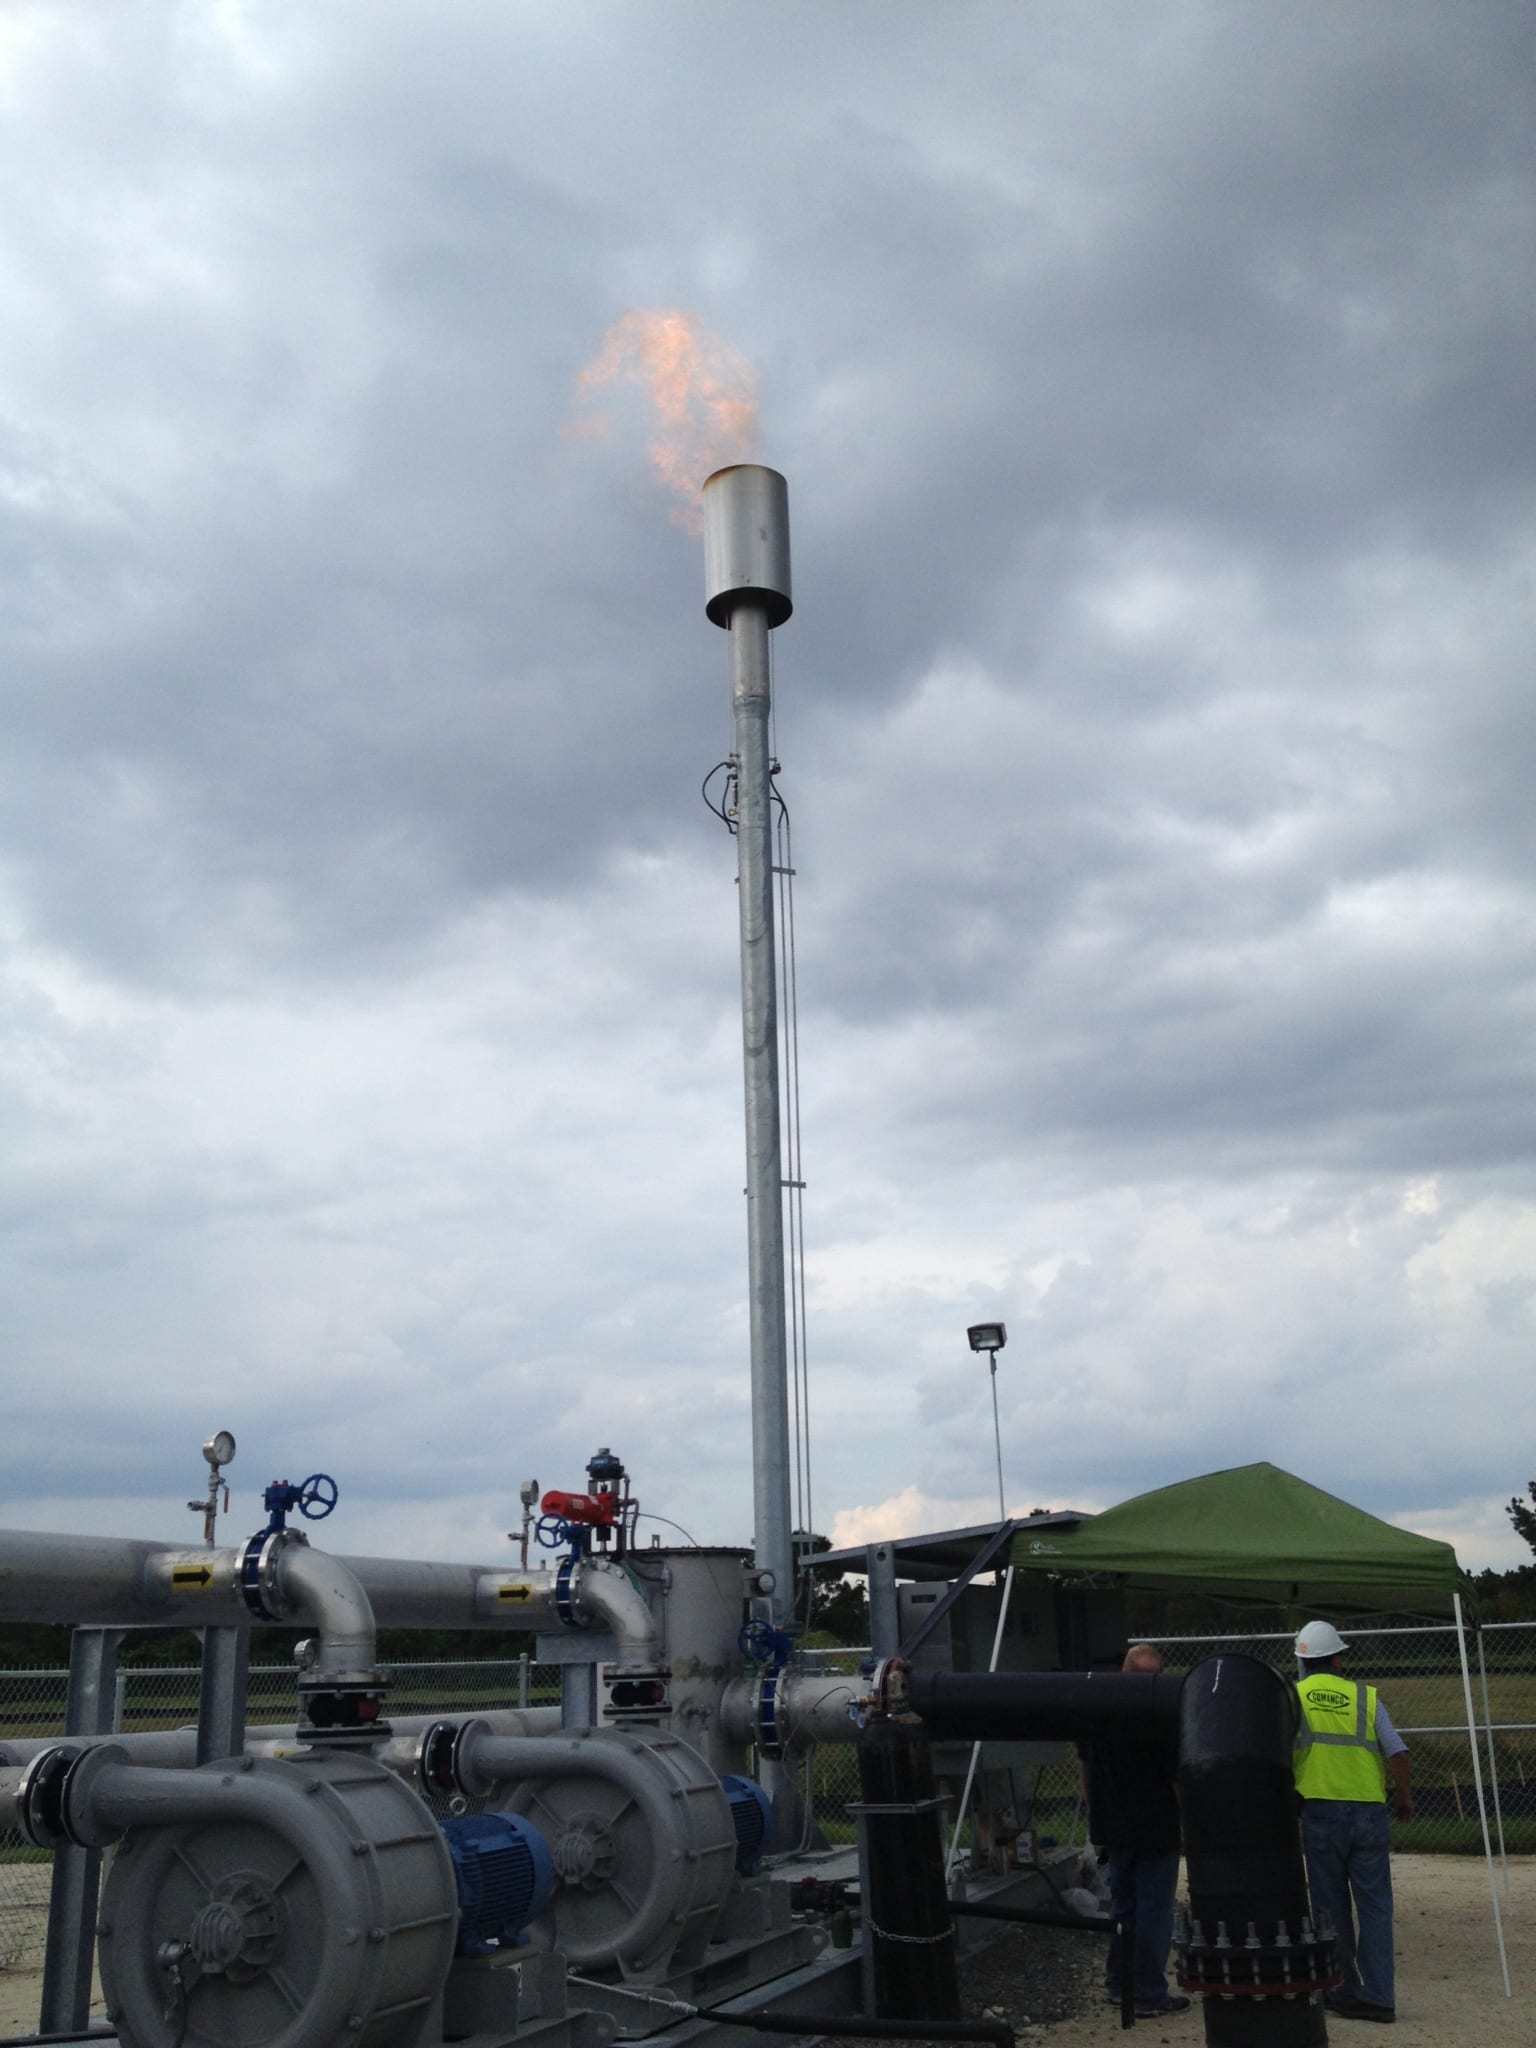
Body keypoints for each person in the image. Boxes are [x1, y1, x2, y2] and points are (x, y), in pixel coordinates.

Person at [1293, 1620, 1413, 2025]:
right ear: (1339, 1658)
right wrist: (1403, 1798)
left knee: (1329, 1907)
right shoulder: (1366, 1698)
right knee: (1376, 1906)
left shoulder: (1293, 1698)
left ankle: (1341, 1987)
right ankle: (1379, 1997)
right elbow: (1397, 1753)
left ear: (1302, 1660)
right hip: (1368, 1812)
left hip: (1321, 1812)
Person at [1078, 1643, 1191, 2018]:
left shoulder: (1097, 1710)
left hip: (1112, 1825)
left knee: (1123, 1908)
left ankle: (1118, 1984)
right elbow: (1176, 1777)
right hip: (1155, 1828)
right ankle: (1148, 1993)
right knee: (1154, 1913)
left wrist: (1096, 1812)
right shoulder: (1159, 1717)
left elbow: (1086, 1768)